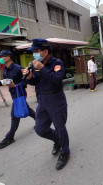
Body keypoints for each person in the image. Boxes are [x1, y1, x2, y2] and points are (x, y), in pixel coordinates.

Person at [22, 39, 70, 170]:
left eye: (36, 51)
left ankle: (65, 152)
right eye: (33, 52)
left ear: (45, 51)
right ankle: (57, 141)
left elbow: (56, 80)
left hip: (55, 99)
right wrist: (29, 77)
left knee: (60, 127)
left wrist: (42, 68)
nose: (34, 54)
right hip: (42, 100)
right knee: (40, 128)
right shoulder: (35, 65)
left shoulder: (57, 63)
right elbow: (35, 83)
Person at [0, 50, 36, 148]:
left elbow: (25, 82)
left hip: (20, 93)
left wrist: (15, 85)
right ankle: (40, 120)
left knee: (14, 115)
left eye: (2, 56)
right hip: (13, 93)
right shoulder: (6, 69)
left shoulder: (18, 68)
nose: (0, 59)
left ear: (8, 57)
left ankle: (9, 137)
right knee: (27, 109)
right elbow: (7, 81)